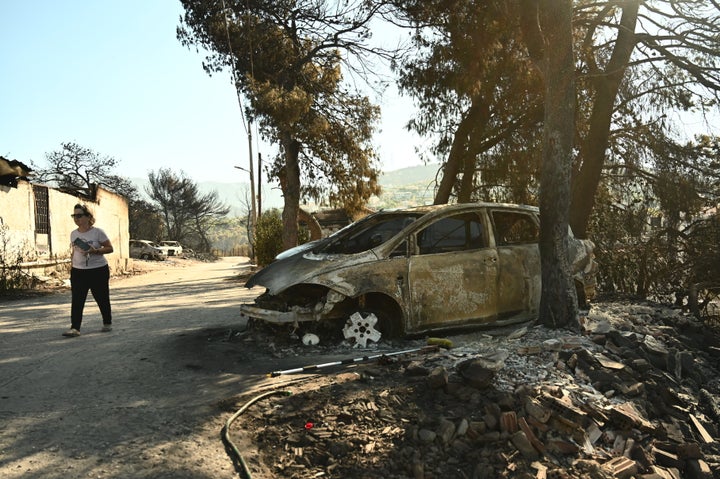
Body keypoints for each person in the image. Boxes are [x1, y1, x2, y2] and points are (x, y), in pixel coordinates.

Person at [62, 204, 114, 337]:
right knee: (77, 299)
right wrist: (72, 267)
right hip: (79, 271)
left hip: (98, 270)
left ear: (88, 217)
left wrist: (95, 251)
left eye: (79, 215)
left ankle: (107, 322)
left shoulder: (98, 232)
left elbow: (109, 248)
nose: (76, 218)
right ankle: (75, 328)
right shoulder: (73, 234)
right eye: (74, 216)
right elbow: (74, 252)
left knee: (101, 298)